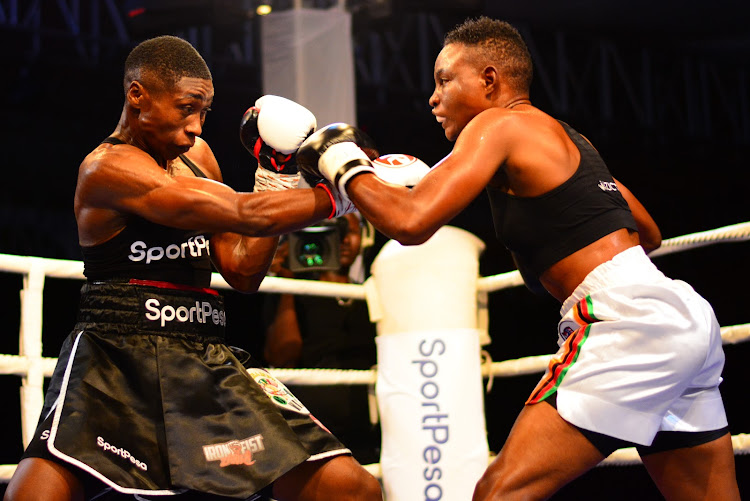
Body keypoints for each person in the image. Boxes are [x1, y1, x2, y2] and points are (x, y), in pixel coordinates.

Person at [294, 16, 741, 501]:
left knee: (499, 494)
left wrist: (340, 162)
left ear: (489, 80)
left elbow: (411, 222)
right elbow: (647, 231)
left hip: (623, 320)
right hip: (679, 313)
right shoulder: (571, 138)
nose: (432, 98)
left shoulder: (497, 123)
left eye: (444, 80)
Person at [3, 35, 382, 501]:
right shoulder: (105, 170)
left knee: (352, 488)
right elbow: (247, 215)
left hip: (202, 352)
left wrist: (275, 178)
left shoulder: (197, 160)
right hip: (114, 357)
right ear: (137, 95)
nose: (197, 127)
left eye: (204, 111)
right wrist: (348, 191)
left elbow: (243, 271)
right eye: (186, 108)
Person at [263, 212, 381, 465]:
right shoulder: (294, 289)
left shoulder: (372, 293)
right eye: (336, 231)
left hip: (366, 427)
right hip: (314, 429)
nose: (344, 241)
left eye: (350, 231)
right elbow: (283, 357)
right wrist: (287, 285)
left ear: (364, 236)